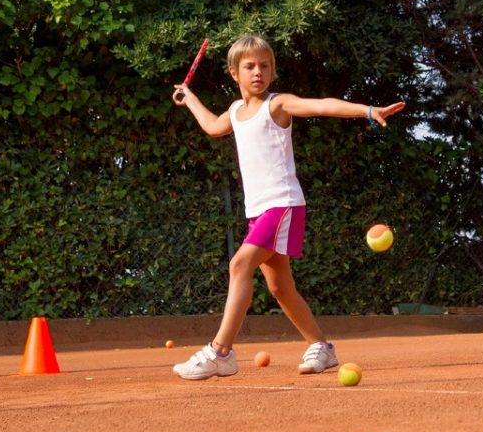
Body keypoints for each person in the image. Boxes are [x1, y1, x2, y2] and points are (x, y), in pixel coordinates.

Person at [170, 34, 405, 380]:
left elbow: (321, 104)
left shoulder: (276, 105)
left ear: (272, 71)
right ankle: (322, 348)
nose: (258, 72)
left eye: (265, 66)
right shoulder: (235, 111)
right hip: (259, 211)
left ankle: (220, 352)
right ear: (234, 73)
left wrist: (368, 111)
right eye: (249, 66)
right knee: (280, 287)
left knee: (239, 265)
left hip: (282, 205)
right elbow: (211, 126)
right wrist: (189, 98)